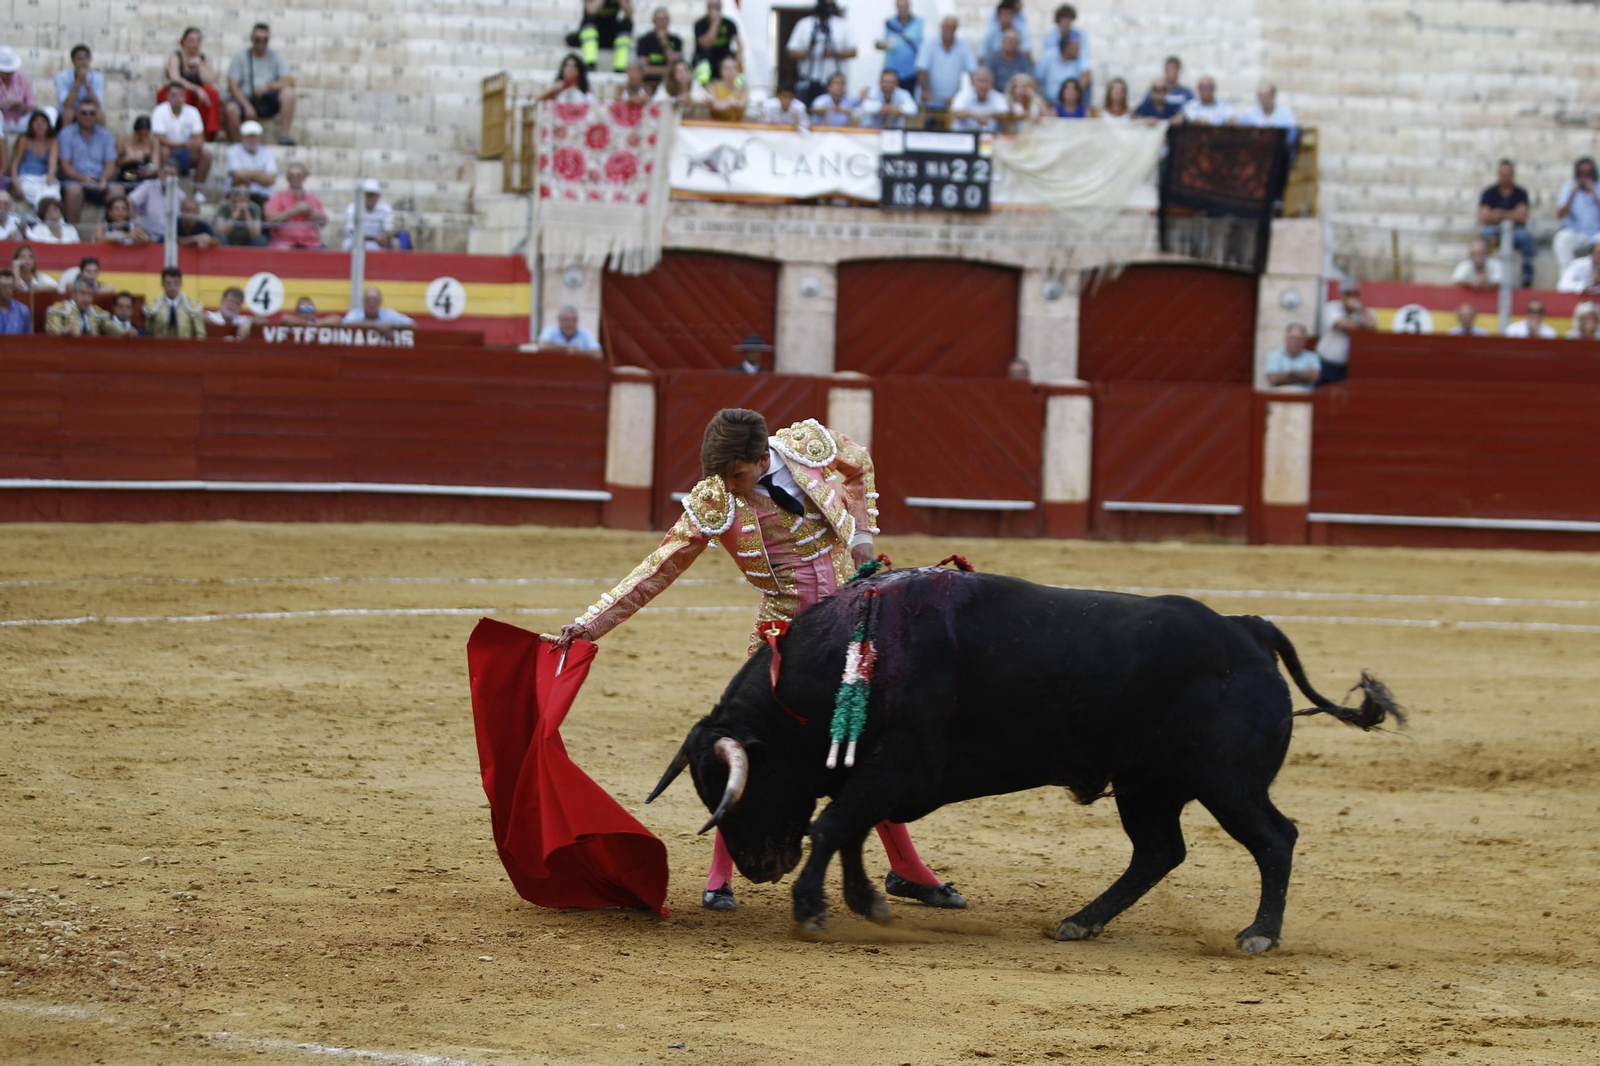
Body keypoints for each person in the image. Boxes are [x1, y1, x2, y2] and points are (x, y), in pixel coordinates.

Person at [546, 409, 966, 914]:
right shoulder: (715, 499)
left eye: (737, 475)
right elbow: (657, 569)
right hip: (783, 639)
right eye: (719, 477)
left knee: (868, 743)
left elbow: (859, 466)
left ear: (762, 457)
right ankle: (719, 876)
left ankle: (906, 871)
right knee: (750, 750)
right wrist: (588, 625)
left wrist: (861, 538)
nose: (729, 487)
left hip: (850, 626)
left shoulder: (808, 446)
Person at [224, 23, 297, 145]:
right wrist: (247, 106)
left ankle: (284, 135)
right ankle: (237, 144)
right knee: (230, 108)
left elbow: (290, 81)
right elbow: (233, 87)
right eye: (258, 39)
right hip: (245, 99)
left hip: (267, 99)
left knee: (289, 93)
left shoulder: (276, 57)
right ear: (252, 38)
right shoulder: (240, 58)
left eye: (265, 39)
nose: (261, 42)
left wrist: (268, 87)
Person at [57, 100, 121, 222]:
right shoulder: (66, 134)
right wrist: (83, 179)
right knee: (74, 190)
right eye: (84, 113)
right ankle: (72, 234)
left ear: (96, 115)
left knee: (117, 190)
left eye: (92, 113)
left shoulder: (106, 135)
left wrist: (104, 179)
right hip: (75, 180)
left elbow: (111, 164)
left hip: (99, 181)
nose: (88, 116)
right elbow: (64, 165)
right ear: (77, 114)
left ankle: (116, 232)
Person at [1477, 159, 1534, 288]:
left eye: (1507, 174)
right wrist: (1511, 214)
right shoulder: (1489, 192)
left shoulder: (1521, 193)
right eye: (1503, 174)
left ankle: (1527, 275)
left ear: (1513, 174)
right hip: (1494, 230)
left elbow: (1522, 216)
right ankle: (1484, 272)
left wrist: (1498, 213)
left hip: (1516, 231)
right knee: (1485, 235)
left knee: (1526, 238)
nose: (1505, 177)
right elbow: (1484, 216)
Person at [788, 0, 857, 101]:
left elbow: (853, 51)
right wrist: (808, 52)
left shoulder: (842, 25)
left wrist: (833, 53)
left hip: (833, 82)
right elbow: (791, 51)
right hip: (808, 79)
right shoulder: (804, 24)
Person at [164, 27, 222, 140]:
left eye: (198, 41)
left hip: (199, 96)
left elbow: (209, 80)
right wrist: (196, 89)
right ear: (184, 41)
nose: (194, 44)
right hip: (184, 90)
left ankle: (209, 131)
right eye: (191, 40)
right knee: (181, 93)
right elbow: (174, 78)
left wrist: (200, 64)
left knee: (211, 93)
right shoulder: (176, 56)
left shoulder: (204, 58)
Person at [1316, 280, 1375, 385]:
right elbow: (1342, 324)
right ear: (1341, 295)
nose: (1352, 297)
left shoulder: (1364, 312)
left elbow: (1372, 327)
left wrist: (1359, 309)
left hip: (1353, 368)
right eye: (1348, 293)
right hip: (1328, 365)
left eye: (1355, 294)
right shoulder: (1331, 307)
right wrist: (1362, 327)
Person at [152, 80, 211, 181]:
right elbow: (159, 138)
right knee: (163, 151)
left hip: (187, 150)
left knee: (205, 155)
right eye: (174, 95)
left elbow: (199, 136)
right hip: (169, 149)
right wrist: (183, 144)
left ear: (185, 96)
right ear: (168, 97)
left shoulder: (193, 111)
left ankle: (197, 191)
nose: (178, 98)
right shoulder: (159, 111)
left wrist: (194, 144)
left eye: (180, 95)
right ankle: (164, 184)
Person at [917, 16, 976, 114]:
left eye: (951, 27)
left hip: (953, 102)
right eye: (946, 26)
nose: (948, 30)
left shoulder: (964, 45)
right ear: (941, 27)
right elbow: (922, 69)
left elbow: (972, 71)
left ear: (956, 29)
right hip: (930, 101)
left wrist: (972, 95)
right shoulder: (929, 43)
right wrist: (925, 90)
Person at [264, 162, 328, 249]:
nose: (295, 178)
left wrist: (312, 212)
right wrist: (295, 210)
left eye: (299, 176)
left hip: (311, 244)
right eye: (291, 176)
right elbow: (270, 220)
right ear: (287, 178)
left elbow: (323, 222)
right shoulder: (278, 197)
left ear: (304, 178)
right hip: (284, 243)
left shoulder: (312, 198)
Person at [1553, 157, 1600, 270]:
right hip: (1575, 232)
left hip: (1596, 233)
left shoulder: (1598, 187)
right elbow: (1560, 214)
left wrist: (1594, 194)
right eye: (1582, 173)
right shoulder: (1569, 186)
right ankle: (1566, 279)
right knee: (1561, 240)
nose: (1585, 177)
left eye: (1588, 173)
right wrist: (1572, 194)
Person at [10, 109, 60, 209]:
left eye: (43, 122)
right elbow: (15, 164)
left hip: (44, 178)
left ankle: (53, 222)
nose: (39, 125)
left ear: (48, 125)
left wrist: (50, 177)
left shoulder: (52, 141)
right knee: (40, 198)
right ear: (31, 124)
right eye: (36, 122)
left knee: (53, 195)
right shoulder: (24, 140)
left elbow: (52, 162)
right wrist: (16, 184)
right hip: (26, 178)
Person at [567, 0, 634, 73]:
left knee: (627, 24)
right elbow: (590, 10)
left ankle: (620, 67)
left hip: (610, 32)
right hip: (593, 34)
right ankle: (590, 63)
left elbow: (630, 13)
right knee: (588, 21)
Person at [45, 277, 124, 336]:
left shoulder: (98, 313)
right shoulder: (58, 309)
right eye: (82, 293)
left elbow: (113, 329)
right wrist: (62, 333)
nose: (86, 298)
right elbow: (53, 334)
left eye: (90, 294)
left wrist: (125, 332)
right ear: (74, 294)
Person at [144, 265, 207, 338]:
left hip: (186, 348)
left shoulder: (193, 305)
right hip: (159, 348)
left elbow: (200, 335)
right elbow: (148, 332)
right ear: (162, 284)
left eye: (176, 283)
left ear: (181, 284)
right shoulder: (152, 305)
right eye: (168, 283)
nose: (172, 287)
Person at [875, 0, 923, 94]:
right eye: (899, 6)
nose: (902, 9)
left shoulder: (920, 23)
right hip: (891, 72)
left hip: (911, 71)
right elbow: (876, 43)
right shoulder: (888, 23)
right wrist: (884, 45)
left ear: (909, 6)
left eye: (904, 6)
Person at [225, 120, 278, 204]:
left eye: (254, 136)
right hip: (238, 195)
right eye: (248, 136)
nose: (252, 139)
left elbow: (271, 179)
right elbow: (237, 174)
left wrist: (246, 175)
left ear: (260, 137)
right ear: (242, 137)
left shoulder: (267, 152)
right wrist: (260, 173)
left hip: (262, 196)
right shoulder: (234, 150)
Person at [1035, 26, 1088, 108]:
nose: (1079, 49)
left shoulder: (1079, 60)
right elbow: (1036, 79)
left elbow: (1086, 73)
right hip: (1048, 104)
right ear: (1067, 47)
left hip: (1070, 106)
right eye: (1076, 46)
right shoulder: (1049, 56)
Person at [692, 0, 743, 84]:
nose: (714, 9)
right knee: (704, 59)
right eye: (712, 6)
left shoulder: (729, 23)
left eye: (716, 6)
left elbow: (738, 43)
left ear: (721, 7)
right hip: (706, 59)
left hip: (724, 59)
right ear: (707, 7)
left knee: (730, 63)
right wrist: (715, 23)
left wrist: (737, 61)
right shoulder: (700, 24)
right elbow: (705, 44)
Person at [54, 44, 105, 128]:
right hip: (70, 109)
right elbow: (67, 104)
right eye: (79, 59)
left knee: (100, 113)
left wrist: (85, 82)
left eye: (86, 58)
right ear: (73, 61)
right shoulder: (62, 77)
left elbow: (97, 103)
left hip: (88, 109)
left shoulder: (98, 77)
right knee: (68, 113)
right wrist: (78, 81)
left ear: (90, 60)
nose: (83, 62)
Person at [129, 160, 181, 242]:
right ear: (159, 173)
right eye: (165, 173)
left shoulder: (180, 195)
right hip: (146, 236)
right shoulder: (148, 186)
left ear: (177, 177)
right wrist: (134, 225)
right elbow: (130, 201)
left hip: (169, 239)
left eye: (172, 175)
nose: (167, 177)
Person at [1039, 4, 1088, 88]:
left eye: (1069, 19)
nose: (1066, 22)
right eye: (1064, 18)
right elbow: (1046, 59)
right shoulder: (1050, 36)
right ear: (1058, 20)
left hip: (1072, 70)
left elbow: (1082, 58)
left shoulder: (1075, 35)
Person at [1236, 81, 1298, 145]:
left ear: (1273, 95)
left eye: (1267, 95)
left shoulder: (1286, 113)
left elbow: (1292, 134)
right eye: (1261, 95)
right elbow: (1242, 132)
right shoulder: (1249, 113)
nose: (1264, 98)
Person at [635, 8, 682, 91]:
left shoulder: (676, 41)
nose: (662, 22)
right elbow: (645, 69)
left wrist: (665, 43)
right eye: (659, 19)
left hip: (669, 83)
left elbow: (674, 65)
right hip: (649, 82)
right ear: (654, 21)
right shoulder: (644, 41)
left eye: (665, 19)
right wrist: (667, 69)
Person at [950, 67, 1009, 132]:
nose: (983, 85)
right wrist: (976, 116)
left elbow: (1004, 114)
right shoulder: (963, 95)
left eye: (986, 81)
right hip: (964, 136)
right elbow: (956, 113)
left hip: (990, 136)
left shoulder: (998, 97)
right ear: (973, 82)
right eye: (979, 81)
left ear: (992, 83)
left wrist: (987, 115)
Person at [344, 178, 397, 250]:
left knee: (395, 243)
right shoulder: (353, 208)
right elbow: (352, 232)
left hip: (378, 243)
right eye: (368, 194)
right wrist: (374, 238)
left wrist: (385, 237)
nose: (371, 197)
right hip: (357, 242)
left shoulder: (385, 209)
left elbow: (389, 229)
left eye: (373, 195)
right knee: (352, 242)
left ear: (378, 196)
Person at [1264, 323, 1320, 388]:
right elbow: (1273, 379)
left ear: (1304, 341)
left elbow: (1314, 377)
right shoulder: (1274, 356)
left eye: (1299, 339)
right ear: (1286, 339)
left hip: (1304, 396)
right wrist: (1304, 377)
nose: (1295, 342)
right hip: (1279, 396)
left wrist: (1290, 373)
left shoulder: (1312, 357)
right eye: (1292, 338)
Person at [0, 47, 38, 136]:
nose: (8, 74)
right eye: (5, 72)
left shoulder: (23, 78)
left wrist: (22, 107)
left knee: (47, 114)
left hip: (20, 119)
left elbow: (33, 106)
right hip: (1, 121)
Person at [984, 29, 1034, 96]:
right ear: (1002, 41)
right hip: (996, 96)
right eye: (1009, 40)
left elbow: (1030, 81)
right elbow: (987, 80)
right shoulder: (992, 59)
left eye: (1014, 41)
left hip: (1018, 97)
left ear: (1018, 44)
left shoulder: (1024, 60)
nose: (1011, 44)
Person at [343, 286, 416, 331]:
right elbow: (345, 324)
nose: (372, 303)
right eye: (368, 299)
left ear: (380, 302)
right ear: (363, 301)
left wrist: (392, 325)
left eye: (375, 300)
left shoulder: (389, 314)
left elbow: (412, 324)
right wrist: (376, 326)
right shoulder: (356, 313)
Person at [115, 116, 159, 187]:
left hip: (145, 173)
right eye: (140, 134)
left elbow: (156, 165)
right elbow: (116, 163)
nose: (142, 137)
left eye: (145, 135)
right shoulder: (122, 139)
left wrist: (149, 172)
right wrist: (128, 159)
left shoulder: (153, 141)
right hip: (128, 172)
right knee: (129, 176)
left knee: (152, 180)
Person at [707, 56, 748, 122]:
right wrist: (730, 101)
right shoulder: (713, 87)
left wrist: (727, 103)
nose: (730, 71)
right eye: (727, 68)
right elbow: (715, 106)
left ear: (738, 71)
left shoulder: (743, 89)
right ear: (721, 71)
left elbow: (742, 105)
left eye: (734, 68)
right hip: (715, 126)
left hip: (737, 127)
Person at [0, 268, 31, 334]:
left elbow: (27, 339)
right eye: (4, 287)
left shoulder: (23, 311)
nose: (8, 290)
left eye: (10, 287)